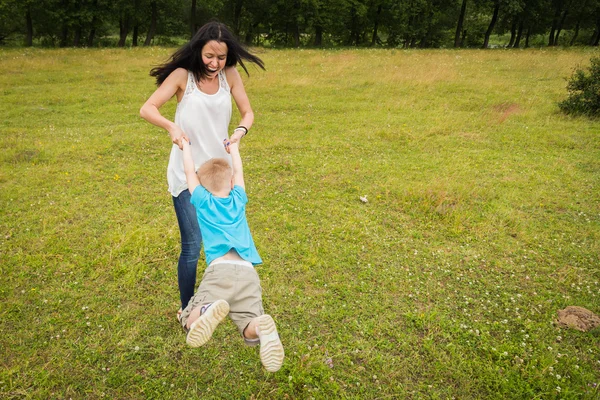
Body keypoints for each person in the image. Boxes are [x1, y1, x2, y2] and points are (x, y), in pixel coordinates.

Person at [139, 22, 265, 320]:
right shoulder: (183, 77)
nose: (214, 63)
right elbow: (148, 109)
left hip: (221, 175)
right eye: (209, 55)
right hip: (187, 173)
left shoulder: (230, 76)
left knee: (224, 242)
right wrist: (171, 126)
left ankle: (226, 300)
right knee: (194, 244)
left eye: (221, 57)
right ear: (199, 50)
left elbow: (248, 111)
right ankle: (188, 307)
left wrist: (240, 131)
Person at [178, 137, 284, 372]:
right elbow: (239, 170)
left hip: (220, 270)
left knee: (189, 320)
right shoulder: (238, 198)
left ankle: (205, 310)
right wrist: (233, 148)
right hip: (247, 272)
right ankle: (261, 327)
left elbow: (188, 173)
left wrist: (186, 147)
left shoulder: (202, 200)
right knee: (248, 321)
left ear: (202, 188)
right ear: (232, 182)